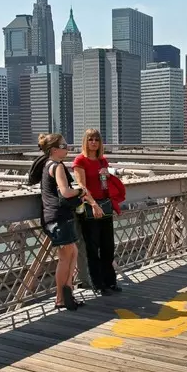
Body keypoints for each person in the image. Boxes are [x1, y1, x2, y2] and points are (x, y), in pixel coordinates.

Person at [29, 133, 84, 311]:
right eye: (64, 145)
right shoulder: (57, 166)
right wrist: (80, 191)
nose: (67, 148)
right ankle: (61, 297)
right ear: (54, 150)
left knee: (72, 253)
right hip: (59, 217)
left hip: (54, 217)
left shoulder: (46, 165)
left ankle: (68, 289)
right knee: (65, 258)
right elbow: (66, 192)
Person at [73, 129, 121, 295]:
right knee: (93, 248)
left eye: (96, 140)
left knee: (108, 246)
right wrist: (94, 204)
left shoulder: (102, 161)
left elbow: (105, 186)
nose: (93, 142)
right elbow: (82, 187)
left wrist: (107, 175)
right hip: (90, 207)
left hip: (104, 205)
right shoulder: (80, 160)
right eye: (90, 139)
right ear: (85, 142)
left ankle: (111, 281)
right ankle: (98, 284)